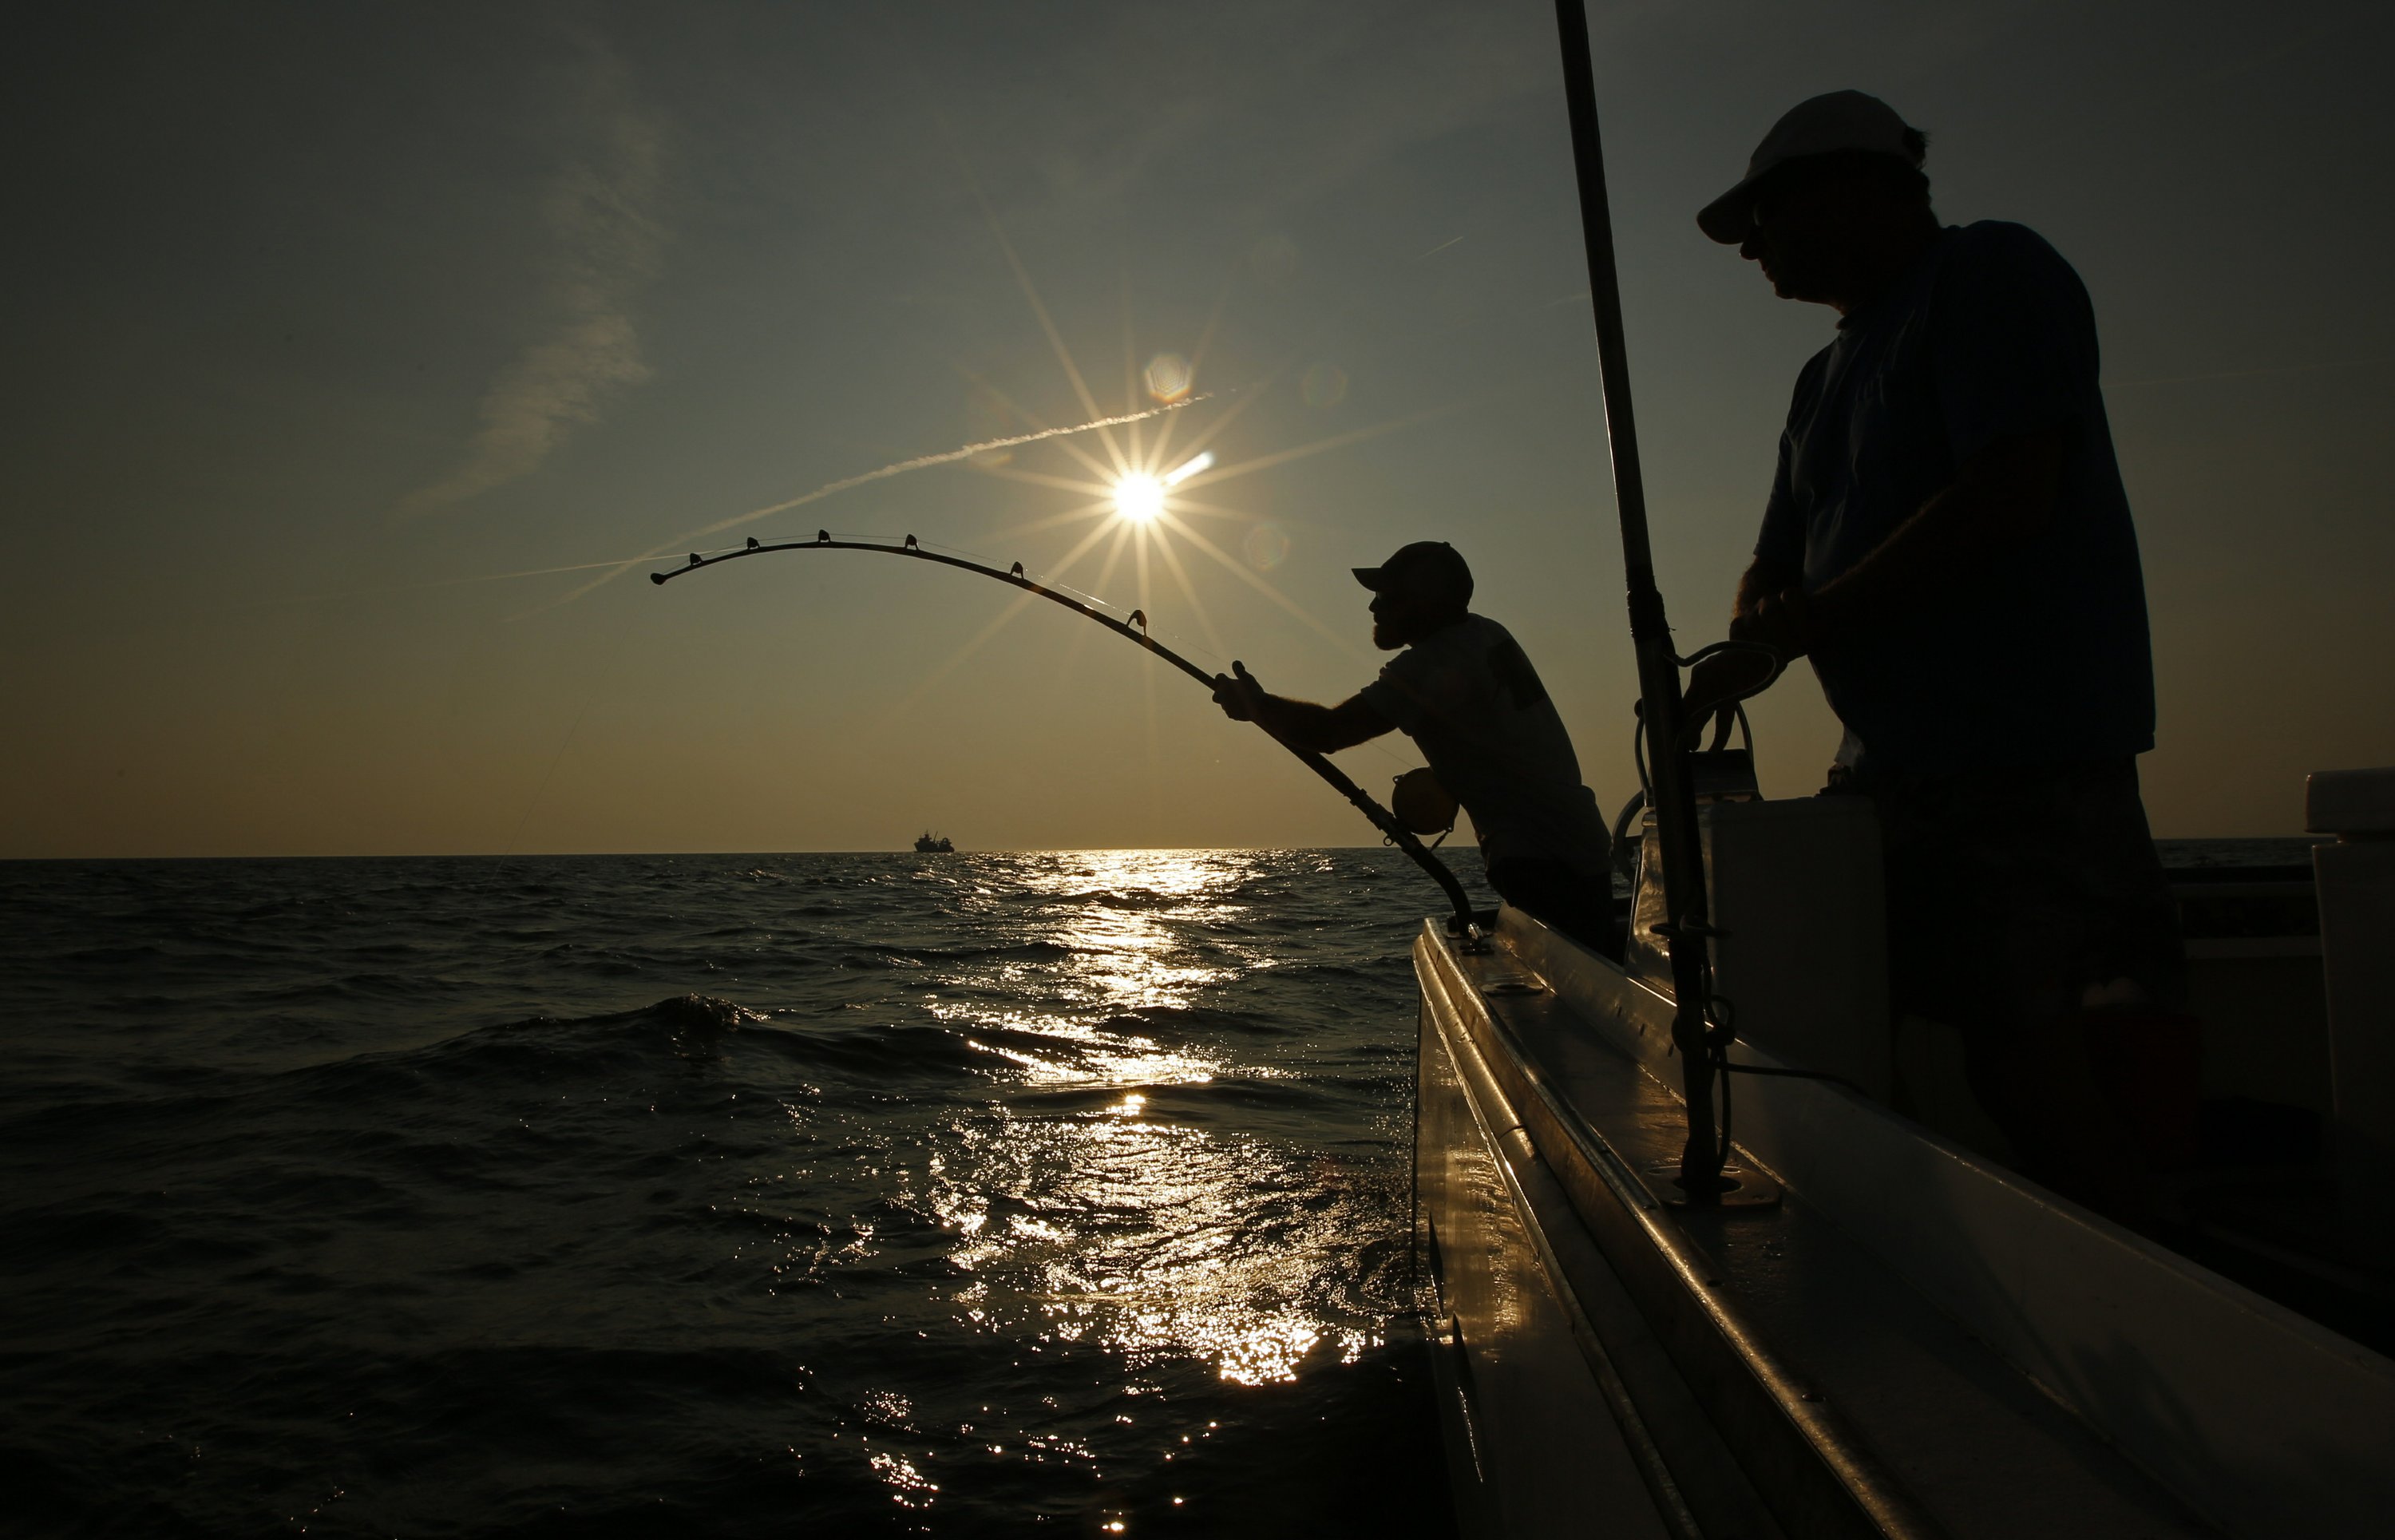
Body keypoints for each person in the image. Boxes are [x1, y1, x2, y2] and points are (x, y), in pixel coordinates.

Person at [1687, 90, 2186, 1223]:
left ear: (1865, 189)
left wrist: (1820, 616)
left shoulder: (1991, 275)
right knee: (1870, 1018)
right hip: (1893, 772)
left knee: (2039, 1053)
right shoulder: (1818, 383)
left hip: (2026, 754)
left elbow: (2010, 492)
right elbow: (1776, 568)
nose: (1753, 246)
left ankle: (2172, 1305)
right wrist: (1759, 620)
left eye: (1766, 216)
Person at [1209, 540, 1617, 951]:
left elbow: (1329, 733)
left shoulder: (1434, 665)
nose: (1373, 608)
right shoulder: (1488, 633)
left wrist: (1256, 706)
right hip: (1581, 845)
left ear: (1424, 603)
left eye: (1387, 597)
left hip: (1541, 860)